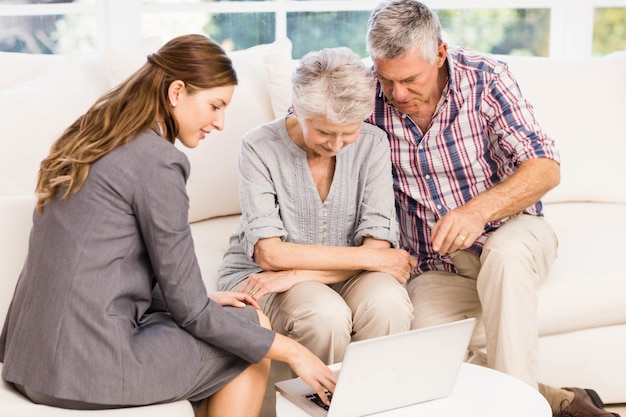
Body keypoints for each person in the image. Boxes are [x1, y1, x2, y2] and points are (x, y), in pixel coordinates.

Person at [0, 34, 336, 417]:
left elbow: (100, 268)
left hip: (30, 359)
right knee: (252, 334)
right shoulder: (157, 160)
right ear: (176, 91)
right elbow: (191, 312)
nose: (221, 123)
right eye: (215, 105)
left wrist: (200, 299)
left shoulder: (92, 136)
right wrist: (293, 351)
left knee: (238, 324)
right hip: (90, 369)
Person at [365, 1, 618, 417]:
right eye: (386, 79)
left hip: (512, 234)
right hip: (436, 267)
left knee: (503, 253)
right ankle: (563, 403)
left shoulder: (484, 77)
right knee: (421, 368)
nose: (398, 94)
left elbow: (544, 167)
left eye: (410, 80)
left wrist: (476, 212)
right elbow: (300, 126)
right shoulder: (365, 89)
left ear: (440, 53)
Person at [217, 47, 415, 366]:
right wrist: (294, 273)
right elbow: (270, 254)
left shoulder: (374, 143)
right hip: (262, 277)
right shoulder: (258, 147)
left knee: (388, 303)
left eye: (349, 132)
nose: (335, 146)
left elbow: (377, 244)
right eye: (324, 131)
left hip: (343, 274)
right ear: (295, 108)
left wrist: (295, 273)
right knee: (325, 315)